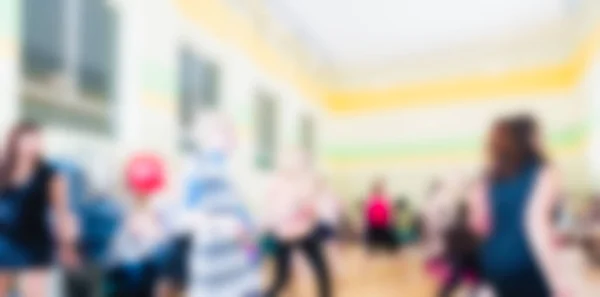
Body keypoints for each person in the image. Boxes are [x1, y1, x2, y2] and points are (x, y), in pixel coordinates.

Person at [469, 116, 569, 297]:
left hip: (494, 261)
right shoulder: (543, 171)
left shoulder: (488, 177)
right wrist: (557, 281)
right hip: (526, 261)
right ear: (528, 138)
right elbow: (535, 224)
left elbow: (479, 225)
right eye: (539, 135)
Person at [0, 121, 79, 297]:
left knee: (35, 293)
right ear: (16, 141)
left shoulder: (51, 174)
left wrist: (67, 246)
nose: (32, 145)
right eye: (28, 140)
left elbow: (62, 212)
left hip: (35, 241)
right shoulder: (3, 170)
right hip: (4, 240)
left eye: (36, 141)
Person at [264, 150, 331, 297]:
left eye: (300, 161)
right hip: (285, 234)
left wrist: (309, 209)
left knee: (322, 272)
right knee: (282, 278)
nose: (297, 164)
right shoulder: (276, 182)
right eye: (295, 160)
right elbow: (275, 211)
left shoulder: (305, 181)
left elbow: (312, 208)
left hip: (305, 232)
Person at [364, 179, 396, 253]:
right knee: (371, 240)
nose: (378, 190)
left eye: (380, 189)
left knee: (391, 243)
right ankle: (372, 248)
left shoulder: (386, 199)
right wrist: (366, 224)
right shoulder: (370, 199)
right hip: (373, 225)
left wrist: (391, 222)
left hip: (383, 225)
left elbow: (390, 212)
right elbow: (367, 214)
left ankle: (389, 248)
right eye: (377, 188)